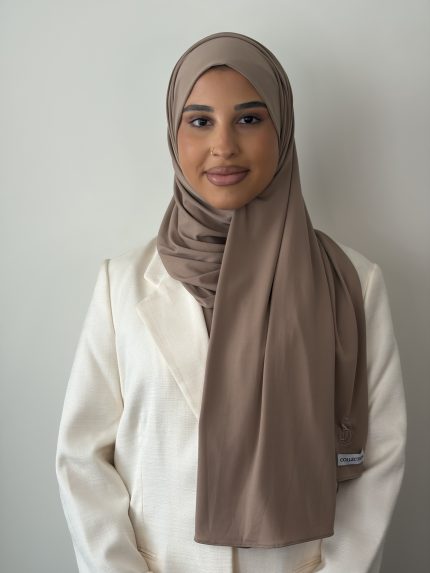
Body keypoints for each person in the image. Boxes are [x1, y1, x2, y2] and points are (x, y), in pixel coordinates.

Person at [55, 32, 407, 573]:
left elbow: (377, 460)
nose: (223, 145)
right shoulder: (120, 284)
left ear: (282, 130)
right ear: (173, 134)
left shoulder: (353, 283)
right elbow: (83, 458)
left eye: (249, 119)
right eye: (200, 121)